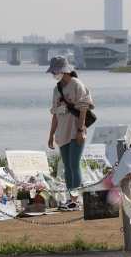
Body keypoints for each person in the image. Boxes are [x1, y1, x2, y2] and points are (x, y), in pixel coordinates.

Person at [46, 55, 95, 211]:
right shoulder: (57, 89)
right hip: (62, 132)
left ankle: (76, 199)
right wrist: (51, 135)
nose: (53, 74)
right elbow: (55, 114)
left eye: (54, 71)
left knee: (74, 165)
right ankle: (69, 198)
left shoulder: (76, 84)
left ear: (62, 70)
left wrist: (80, 130)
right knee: (67, 166)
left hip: (76, 131)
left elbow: (83, 108)